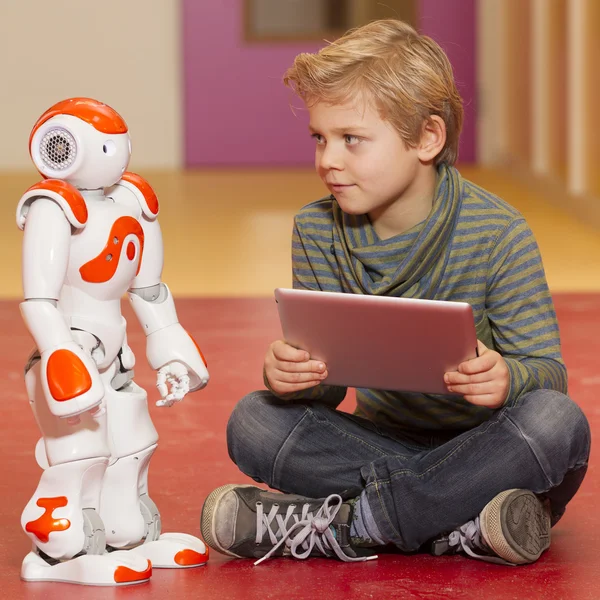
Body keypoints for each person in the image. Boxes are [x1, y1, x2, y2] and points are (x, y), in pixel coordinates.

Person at [200, 19, 590, 566]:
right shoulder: (316, 230)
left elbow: (547, 373)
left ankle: (354, 524)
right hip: (378, 449)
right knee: (254, 420)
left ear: (427, 139)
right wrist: (292, 378)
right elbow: (327, 395)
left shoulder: (499, 232)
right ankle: (460, 523)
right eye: (320, 138)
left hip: (488, 449)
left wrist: (508, 376)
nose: (328, 159)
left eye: (351, 139)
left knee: (555, 422)